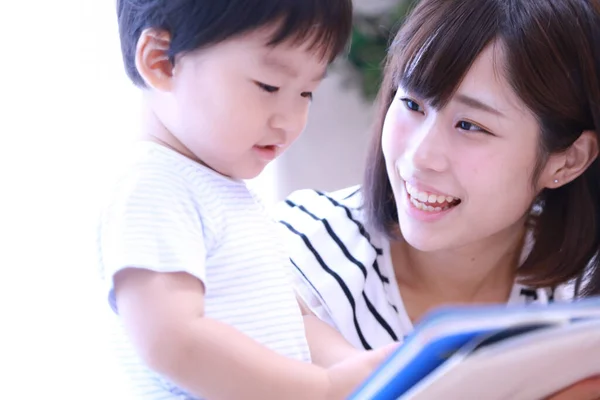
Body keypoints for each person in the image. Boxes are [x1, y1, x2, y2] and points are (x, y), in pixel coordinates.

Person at [275, 0, 600, 397]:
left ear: (568, 160)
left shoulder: (576, 305)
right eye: (411, 104)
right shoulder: (295, 260)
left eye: (470, 125)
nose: (419, 157)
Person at [97, 1, 396, 399]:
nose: (288, 120)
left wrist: (359, 368)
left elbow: (295, 321)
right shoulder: (153, 186)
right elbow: (172, 341)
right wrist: (322, 387)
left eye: (307, 92)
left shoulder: (223, 191)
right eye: (268, 86)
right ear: (162, 62)